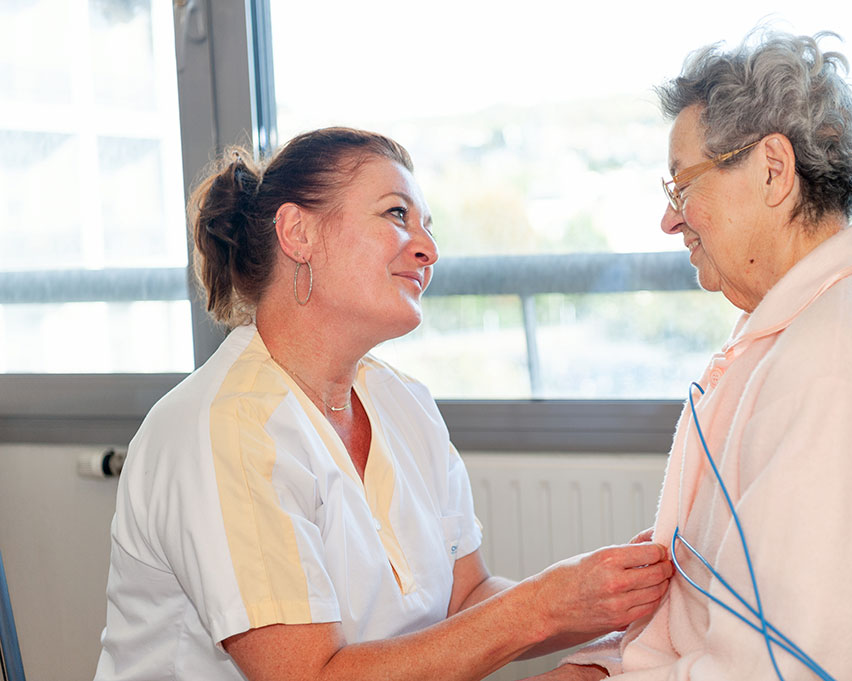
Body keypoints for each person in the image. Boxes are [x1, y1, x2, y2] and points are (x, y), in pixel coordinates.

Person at [93, 127, 673, 681]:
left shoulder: (403, 403)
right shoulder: (224, 428)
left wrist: (599, 598)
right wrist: (542, 607)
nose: (428, 249)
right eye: (397, 215)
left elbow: (465, 599)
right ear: (297, 233)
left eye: (427, 226)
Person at [538, 29, 852, 680]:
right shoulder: (812, 319)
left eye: (682, 186)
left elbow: (781, 666)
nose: (671, 219)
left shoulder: (834, 362)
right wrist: (603, 665)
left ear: (772, 168)